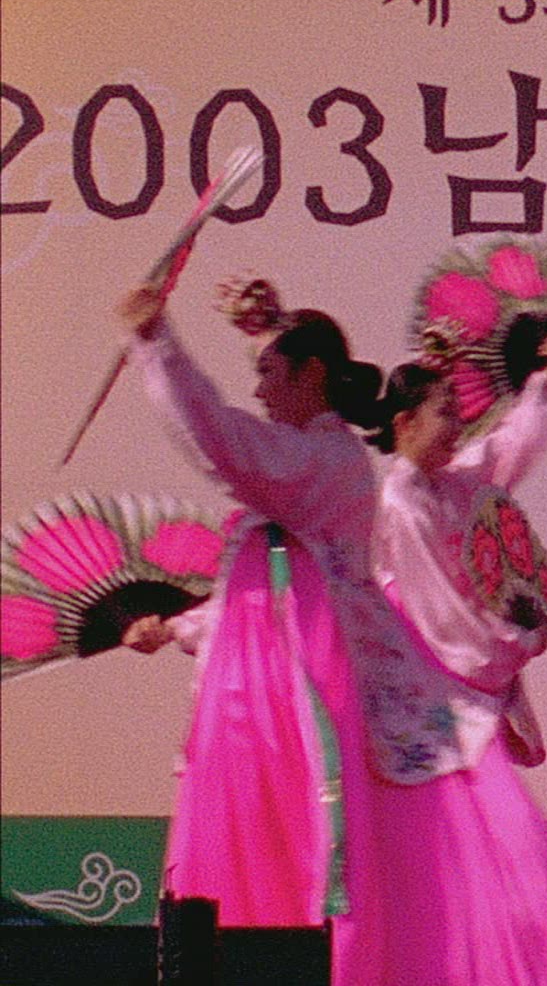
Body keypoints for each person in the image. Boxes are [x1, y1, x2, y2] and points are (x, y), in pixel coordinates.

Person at [118, 288, 393, 982]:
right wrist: (175, 626)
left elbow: (222, 440)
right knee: (240, 843)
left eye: (269, 372)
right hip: (254, 699)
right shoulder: (301, 478)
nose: (259, 390)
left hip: (292, 705)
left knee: (289, 847)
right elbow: (258, 602)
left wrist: (156, 342)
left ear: (312, 374)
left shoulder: (327, 463)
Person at [355, 346, 547, 985]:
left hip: (456, 690)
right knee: (496, 853)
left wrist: (538, 385)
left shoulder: (446, 483)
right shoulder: (401, 501)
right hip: (426, 701)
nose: (460, 423)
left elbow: (502, 453)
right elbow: (440, 615)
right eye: (445, 411)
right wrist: (517, 639)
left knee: (500, 857)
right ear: (404, 421)